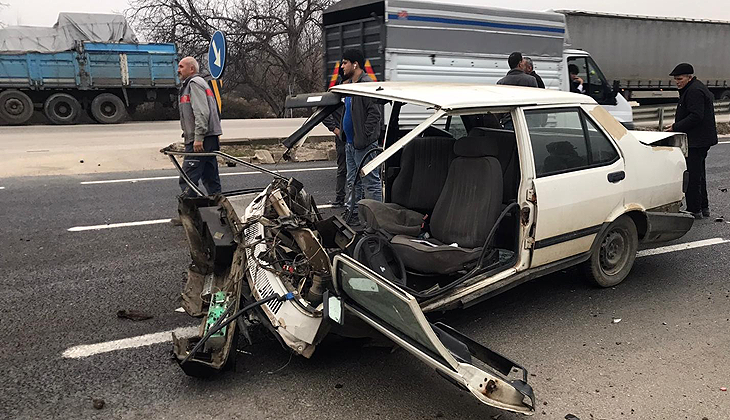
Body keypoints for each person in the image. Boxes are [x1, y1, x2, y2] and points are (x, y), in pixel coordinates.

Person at [664, 62, 718, 219]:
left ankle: (694, 209)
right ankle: (703, 206)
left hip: (697, 141)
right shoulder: (695, 88)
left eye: (679, 79)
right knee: (699, 174)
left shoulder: (694, 91)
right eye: (675, 79)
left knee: (693, 175)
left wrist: (676, 127)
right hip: (701, 139)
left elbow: (696, 116)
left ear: (689, 77)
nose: (677, 82)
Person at [338, 49, 383, 225]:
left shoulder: (366, 86)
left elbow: (375, 114)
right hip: (350, 144)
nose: (341, 67)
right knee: (353, 181)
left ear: (355, 64)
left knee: (371, 182)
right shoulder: (350, 85)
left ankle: (377, 219)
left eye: (344, 63)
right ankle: (355, 214)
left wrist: (364, 136)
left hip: (363, 144)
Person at [323, 71, 346, 208]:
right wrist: (336, 130)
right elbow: (324, 113)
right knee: (343, 169)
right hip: (342, 138)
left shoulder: (356, 93)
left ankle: (356, 201)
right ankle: (340, 199)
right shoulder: (335, 96)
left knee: (358, 171)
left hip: (357, 137)